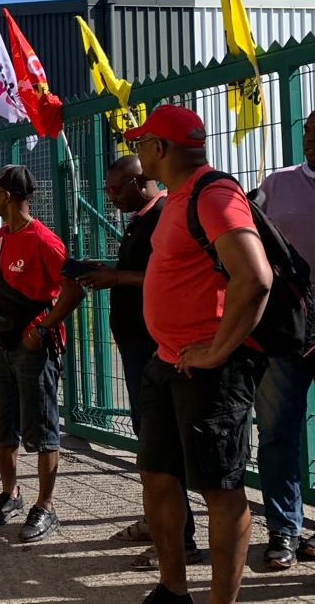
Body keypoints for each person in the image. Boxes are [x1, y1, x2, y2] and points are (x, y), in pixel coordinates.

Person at [126, 105, 272, 604]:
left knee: (220, 490)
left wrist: (217, 351)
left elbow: (255, 278)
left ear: (160, 149)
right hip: (167, 362)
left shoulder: (214, 194)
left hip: (210, 372)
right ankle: (172, 590)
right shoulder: (177, 198)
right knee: (158, 475)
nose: (137, 151)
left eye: (141, 142)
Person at [75, 156, 203, 569]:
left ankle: (180, 538)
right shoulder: (142, 217)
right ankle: (159, 520)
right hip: (137, 342)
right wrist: (110, 272)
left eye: (115, 189)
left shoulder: (165, 215)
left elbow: (164, 276)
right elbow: (140, 270)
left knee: (162, 442)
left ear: (141, 182)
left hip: (155, 346)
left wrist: (116, 278)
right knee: (150, 438)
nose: (109, 196)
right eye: (107, 190)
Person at [0, 165, 84, 543]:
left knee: (42, 428)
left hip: (34, 348)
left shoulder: (44, 240)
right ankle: (11, 493)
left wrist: (42, 328)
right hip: (2, 344)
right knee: (4, 425)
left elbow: (73, 290)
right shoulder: (2, 236)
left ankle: (47, 505)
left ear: (8, 196)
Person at [252, 110, 315, 570]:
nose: (312, 140)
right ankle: (284, 530)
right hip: (285, 334)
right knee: (276, 433)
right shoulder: (277, 184)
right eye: (310, 132)